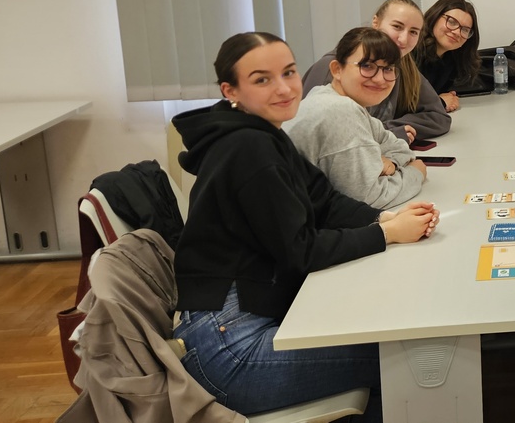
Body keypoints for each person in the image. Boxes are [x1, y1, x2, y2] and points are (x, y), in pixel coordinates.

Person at [171, 32, 440, 420]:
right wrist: (386, 234)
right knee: (407, 358)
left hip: (238, 320)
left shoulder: (264, 132)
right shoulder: (247, 148)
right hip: (229, 349)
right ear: (231, 91)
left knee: (393, 340)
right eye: (262, 79)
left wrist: (384, 218)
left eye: (289, 72)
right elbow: (301, 251)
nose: (284, 88)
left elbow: (323, 200)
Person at [287, 27, 429, 209]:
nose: (380, 79)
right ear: (337, 69)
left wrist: (391, 161)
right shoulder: (338, 110)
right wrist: (416, 173)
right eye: (367, 66)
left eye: (388, 69)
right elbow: (368, 198)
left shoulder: (337, 99)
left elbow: (399, 147)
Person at [302, 0, 451, 141]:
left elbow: (438, 117)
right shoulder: (332, 66)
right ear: (376, 22)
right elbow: (321, 135)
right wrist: (386, 135)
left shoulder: (403, 65)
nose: (404, 39)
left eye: (413, 32)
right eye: (397, 27)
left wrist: (385, 132)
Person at [413, 0, 481, 113]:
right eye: (452, 22)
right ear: (434, 17)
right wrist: (440, 102)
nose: (457, 32)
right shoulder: (410, 52)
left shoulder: (452, 59)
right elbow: (401, 105)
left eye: (465, 30)